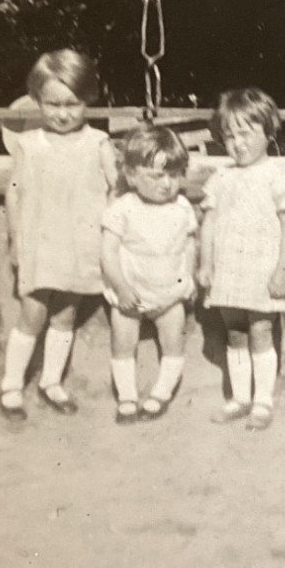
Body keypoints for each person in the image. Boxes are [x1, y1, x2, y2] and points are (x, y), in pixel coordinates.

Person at [0, 48, 117, 420]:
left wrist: (111, 235)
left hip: (81, 246)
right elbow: (14, 193)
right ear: (36, 101)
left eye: (72, 104)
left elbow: (116, 190)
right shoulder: (29, 144)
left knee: (65, 316)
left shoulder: (98, 143)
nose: (63, 114)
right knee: (32, 315)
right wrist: (16, 242)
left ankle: (51, 382)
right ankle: (11, 386)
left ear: (88, 100)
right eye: (52, 105)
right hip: (40, 245)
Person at [197, 88, 285, 431]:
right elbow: (209, 224)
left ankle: (263, 401)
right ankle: (240, 398)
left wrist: (282, 271)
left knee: (260, 330)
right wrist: (206, 264)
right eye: (230, 135)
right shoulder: (221, 178)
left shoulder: (276, 176)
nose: (238, 143)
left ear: (268, 134)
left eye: (246, 133)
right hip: (230, 269)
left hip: (264, 269)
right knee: (236, 333)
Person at [101, 126, 198, 424]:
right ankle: (128, 396)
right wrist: (121, 287)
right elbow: (108, 253)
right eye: (156, 176)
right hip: (131, 293)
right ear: (131, 175)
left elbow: (190, 244)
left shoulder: (182, 207)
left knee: (174, 341)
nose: (167, 184)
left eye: (174, 174)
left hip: (169, 295)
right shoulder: (123, 208)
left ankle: (161, 393)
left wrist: (189, 278)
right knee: (123, 340)